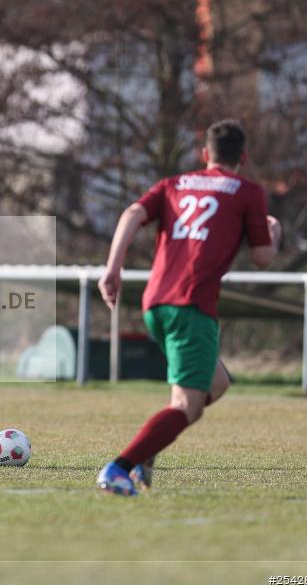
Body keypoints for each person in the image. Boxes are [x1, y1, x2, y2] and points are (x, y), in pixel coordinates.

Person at [95, 119, 281, 495]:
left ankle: (146, 451)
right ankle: (119, 468)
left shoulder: (174, 184)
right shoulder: (247, 192)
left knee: (218, 383)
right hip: (191, 305)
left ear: (204, 154)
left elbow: (131, 214)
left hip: (156, 301)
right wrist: (274, 233)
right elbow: (262, 257)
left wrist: (113, 267)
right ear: (243, 157)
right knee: (187, 406)